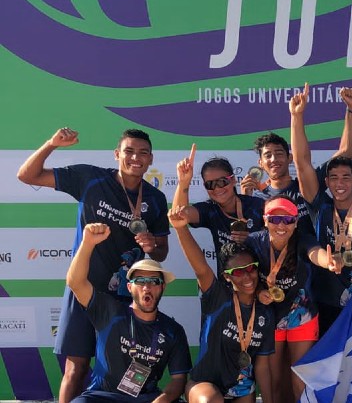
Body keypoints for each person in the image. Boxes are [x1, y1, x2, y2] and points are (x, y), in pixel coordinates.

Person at [17, 127, 169, 403]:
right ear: (116, 154)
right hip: (84, 289)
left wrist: (151, 247)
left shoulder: (156, 199)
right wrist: (52, 144)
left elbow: (161, 253)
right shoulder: (90, 177)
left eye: (143, 153)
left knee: (125, 370)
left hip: (127, 297)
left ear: (151, 159)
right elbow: (27, 175)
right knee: (76, 368)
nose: (136, 157)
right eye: (129, 151)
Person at [290, 83, 352, 333]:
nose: (340, 183)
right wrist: (297, 117)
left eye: (346, 177)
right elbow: (302, 163)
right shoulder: (319, 207)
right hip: (326, 304)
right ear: (327, 182)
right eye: (334, 178)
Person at [65, 223, 191, 403]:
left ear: (162, 287)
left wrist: (161, 401)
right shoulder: (109, 311)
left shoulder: (173, 330)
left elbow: (179, 380)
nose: (147, 287)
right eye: (141, 281)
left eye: (154, 281)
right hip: (103, 397)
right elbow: (75, 282)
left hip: (149, 398)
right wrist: (87, 243)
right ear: (130, 286)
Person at [169, 207, 276, 403]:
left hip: (240, 387)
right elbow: (200, 268)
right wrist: (181, 229)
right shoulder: (218, 296)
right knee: (211, 400)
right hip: (204, 384)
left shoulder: (265, 312)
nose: (247, 276)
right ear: (227, 277)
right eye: (238, 272)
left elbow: (262, 365)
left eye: (251, 268)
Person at [246, 196, 342, 402]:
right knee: (274, 381)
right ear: (264, 220)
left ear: (296, 222)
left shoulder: (303, 239)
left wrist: (329, 262)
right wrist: (257, 293)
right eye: (274, 219)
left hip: (303, 317)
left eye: (288, 220)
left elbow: (315, 253)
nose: (281, 225)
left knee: (300, 380)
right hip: (269, 317)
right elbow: (243, 275)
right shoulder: (253, 242)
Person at [239, 86, 352, 234]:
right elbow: (250, 238)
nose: (274, 159)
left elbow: (347, 152)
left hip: (313, 255)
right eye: (268, 155)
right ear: (261, 164)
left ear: (290, 158)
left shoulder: (307, 183)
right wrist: (245, 200)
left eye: (279, 153)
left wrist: (351, 109)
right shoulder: (257, 198)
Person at [174, 144, 266, 277]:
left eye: (222, 182)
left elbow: (278, 237)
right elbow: (179, 215)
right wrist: (183, 182)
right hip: (228, 286)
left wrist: (252, 239)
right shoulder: (210, 210)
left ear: (233, 180)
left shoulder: (257, 205)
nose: (217, 189)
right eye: (210, 184)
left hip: (259, 285)